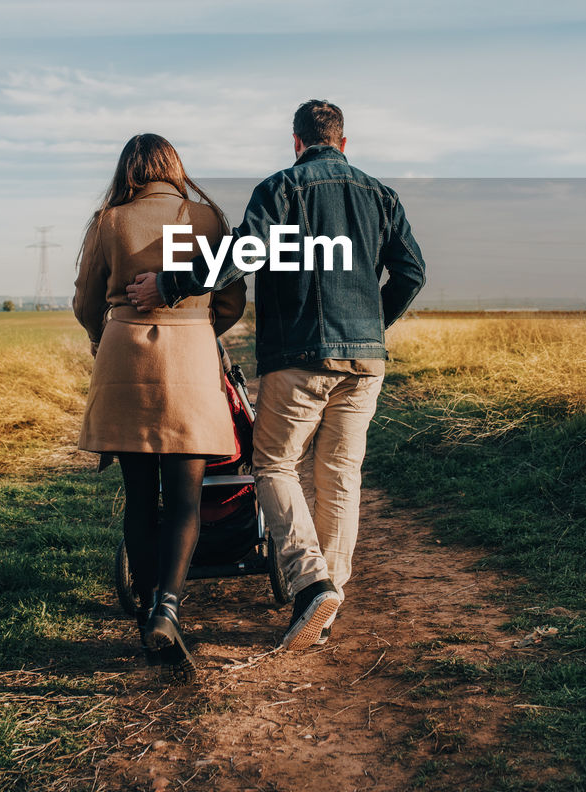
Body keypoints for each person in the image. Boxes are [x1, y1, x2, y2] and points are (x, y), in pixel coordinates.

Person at [127, 101, 425, 651]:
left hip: (300, 355)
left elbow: (246, 252)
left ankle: (311, 582)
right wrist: (373, 322)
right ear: (342, 140)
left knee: (273, 464)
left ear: (296, 141)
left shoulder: (283, 189)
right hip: (366, 361)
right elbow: (412, 270)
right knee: (341, 474)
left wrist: (171, 286)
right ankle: (327, 602)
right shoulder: (382, 195)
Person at [73, 134, 246, 676]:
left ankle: (148, 606)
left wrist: (104, 336)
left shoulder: (108, 221)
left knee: (140, 499)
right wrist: (197, 326)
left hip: (125, 359)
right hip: (189, 363)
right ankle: (168, 609)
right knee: (186, 502)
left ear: (128, 169)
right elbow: (232, 298)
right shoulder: (206, 218)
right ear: (174, 168)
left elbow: (84, 300)